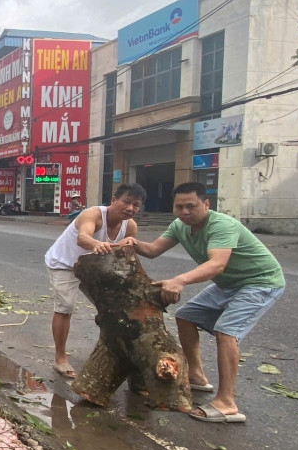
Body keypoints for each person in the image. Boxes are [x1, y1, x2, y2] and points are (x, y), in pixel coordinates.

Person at [120, 181, 285, 423]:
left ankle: (227, 403)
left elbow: (217, 264)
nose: (185, 212)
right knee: (186, 317)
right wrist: (133, 243)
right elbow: (154, 250)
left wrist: (180, 280)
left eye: (191, 206)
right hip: (228, 284)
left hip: (259, 282)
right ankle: (196, 376)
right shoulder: (179, 226)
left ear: (206, 204)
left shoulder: (221, 225)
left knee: (226, 332)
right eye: (179, 207)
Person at [43, 183, 147, 378]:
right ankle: (60, 358)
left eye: (136, 205)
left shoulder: (130, 225)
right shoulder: (94, 214)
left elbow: (125, 254)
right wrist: (99, 244)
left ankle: (119, 358)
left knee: (117, 309)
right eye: (126, 202)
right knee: (65, 306)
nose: (130, 208)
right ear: (114, 200)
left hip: (96, 266)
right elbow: (83, 238)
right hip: (65, 263)